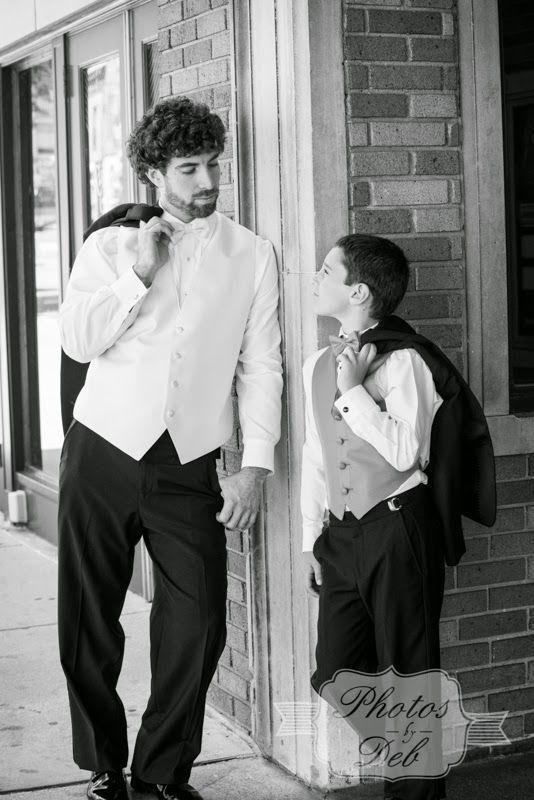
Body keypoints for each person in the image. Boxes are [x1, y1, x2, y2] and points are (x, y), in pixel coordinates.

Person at [58, 97, 283, 800]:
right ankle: (104, 766)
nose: (206, 179)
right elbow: (77, 340)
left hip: (189, 464)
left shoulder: (252, 254)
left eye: (213, 163)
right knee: (89, 617)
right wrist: (139, 274)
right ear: (156, 173)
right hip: (102, 450)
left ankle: (161, 773)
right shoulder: (109, 246)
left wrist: (254, 466)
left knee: (199, 622)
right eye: (189, 167)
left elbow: (261, 366)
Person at [300, 233, 495, 800]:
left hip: (398, 527)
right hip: (341, 535)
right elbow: (317, 457)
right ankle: (417, 752)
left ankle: (414, 788)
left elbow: (407, 451)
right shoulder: (319, 363)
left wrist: (354, 392)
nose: (315, 278)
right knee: (334, 672)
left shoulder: (405, 360)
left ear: (357, 291)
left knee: (407, 673)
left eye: (325, 271)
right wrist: (312, 539)